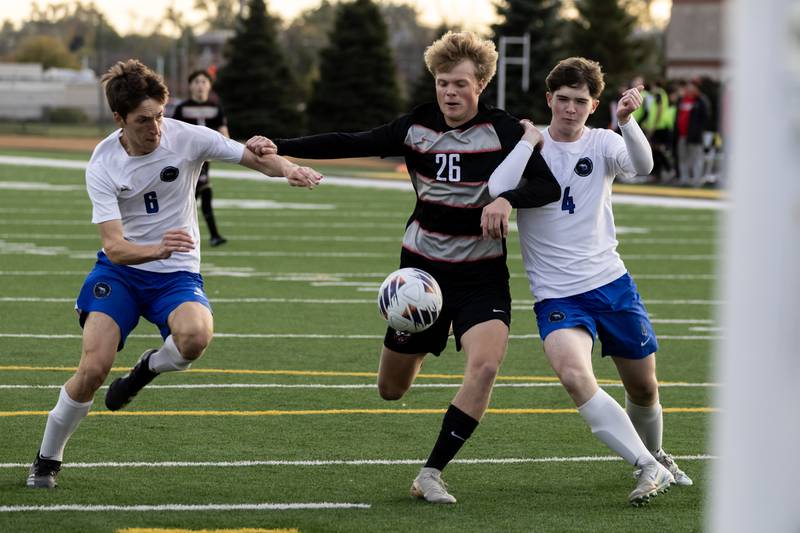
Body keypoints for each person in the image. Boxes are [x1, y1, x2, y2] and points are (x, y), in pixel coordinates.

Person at [248, 31, 560, 504]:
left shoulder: (505, 131)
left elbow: (548, 186)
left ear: (480, 84)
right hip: (420, 277)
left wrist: (506, 199)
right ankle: (417, 351)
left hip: (481, 276)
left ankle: (431, 473)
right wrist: (279, 145)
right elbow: (351, 140)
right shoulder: (415, 126)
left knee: (486, 366)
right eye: (441, 83)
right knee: (391, 389)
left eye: (459, 84)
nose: (449, 93)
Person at [26, 59, 322, 489]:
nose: (156, 127)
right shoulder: (103, 163)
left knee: (196, 338)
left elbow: (253, 158)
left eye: (160, 115)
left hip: (176, 274)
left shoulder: (187, 137)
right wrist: (156, 248)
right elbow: (114, 246)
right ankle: (47, 458)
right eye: (144, 120)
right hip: (121, 272)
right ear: (119, 119)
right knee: (93, 367)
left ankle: (148, 367)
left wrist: (289, 170)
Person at [485, 57, 692, 506]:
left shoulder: (603, 142)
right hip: (556, 294)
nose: (570, 109)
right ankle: (646, 466)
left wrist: (627, 123)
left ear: (594, 105)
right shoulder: (531, 145)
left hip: (611, 283)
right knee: (575, 375)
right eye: (562, 99)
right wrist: (526, 143)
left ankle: (655, 453)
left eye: (580, 101)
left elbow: (643, 165)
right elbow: (496, 187)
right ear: (549, 100)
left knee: (643, 387)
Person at [172, 69, 229, 246]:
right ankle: (210, 236)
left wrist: (223, 148)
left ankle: (205, 235)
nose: (200, 85)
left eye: (204, 81)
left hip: (206, 160)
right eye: (196, 81)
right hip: (188, 159)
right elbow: (174, 134)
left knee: (196, 195)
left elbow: (224, 134)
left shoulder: (215, 108)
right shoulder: (182, 108)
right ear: (190, 86)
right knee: (201, 193)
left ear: (209, 85)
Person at [674, 78, 709, 186]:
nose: (689, 89)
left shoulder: (701, 101)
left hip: (695, 136)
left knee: (696, 158)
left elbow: (705, 118)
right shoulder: (682, 100)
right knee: (682, 158)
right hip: (681, 135)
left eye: (692, 87)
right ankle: (684, 179)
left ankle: (696, 180)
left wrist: (697, 131)